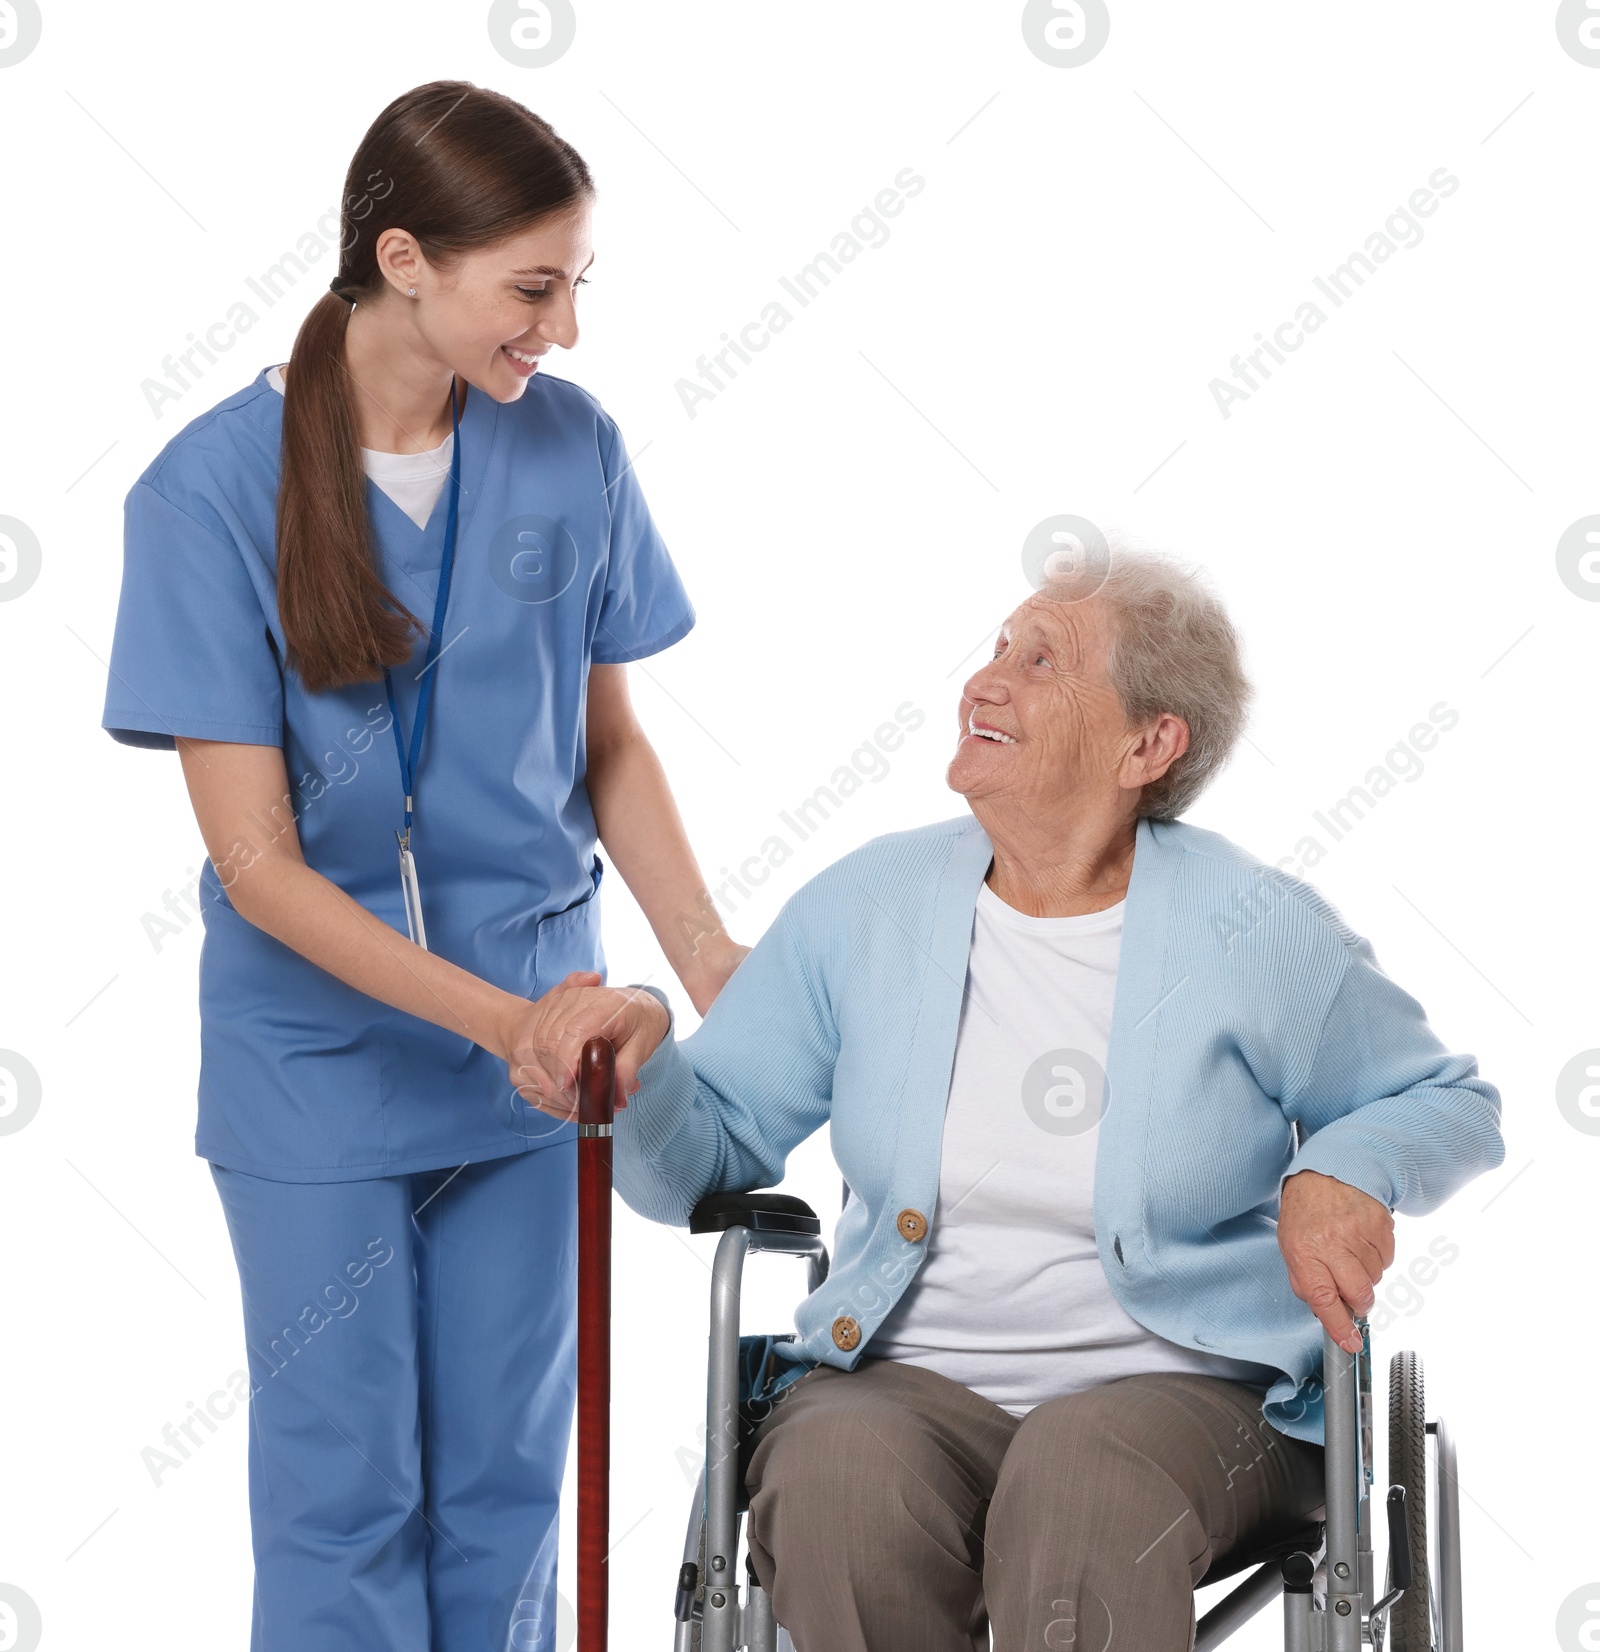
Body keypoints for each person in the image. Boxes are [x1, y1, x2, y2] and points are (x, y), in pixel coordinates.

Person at [515, 539, 1504, 1651]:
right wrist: (641, 1058)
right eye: (995, 649)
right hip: (905, 1384)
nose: (985, 680)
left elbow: (1449, 1100)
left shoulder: (1254, 926)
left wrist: (1347, 1163)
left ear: (1149, 742)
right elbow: (703, 1156)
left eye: (1041, 660)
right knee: (834, 1476)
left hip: (1193, 1399)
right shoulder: (865, 905)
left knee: (1078, 1479)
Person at [98, 80, 744, 1652]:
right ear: (403, 258)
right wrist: (502, 1023)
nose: (568, 330)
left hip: (541, 1052)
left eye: (580, 284)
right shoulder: (205, 491)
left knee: (508, 1490)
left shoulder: (568, 450)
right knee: (344, 1491)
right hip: (319, 1062)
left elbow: (610, 752)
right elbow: (256, 864)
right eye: (535, 287)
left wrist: (719, 961)